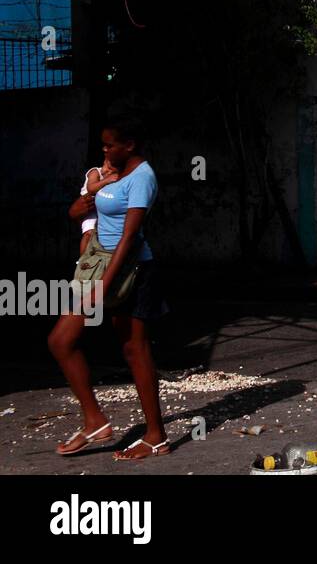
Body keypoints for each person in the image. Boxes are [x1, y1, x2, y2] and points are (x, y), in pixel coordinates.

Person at [48, 117, 169, 460]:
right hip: (98, 264)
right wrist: (83, 203)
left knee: (135, 349)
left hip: (132, 270)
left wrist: (103, 286)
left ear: (129, 145)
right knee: (60, 340)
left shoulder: (143, 177)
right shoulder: (106, 174)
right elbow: (83, 210)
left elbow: (129, 238)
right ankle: (94, 420)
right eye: (102, 144)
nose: (104, 149)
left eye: (110, 144)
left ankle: (156, 436)